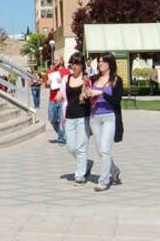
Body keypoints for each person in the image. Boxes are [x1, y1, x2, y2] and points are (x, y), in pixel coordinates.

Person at [85, 54, 124, 192]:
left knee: (105, 149)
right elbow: (86, 93)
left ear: (109, 63)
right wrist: (86, 94)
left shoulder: (116, 80)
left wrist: (101, 94)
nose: (100, 63)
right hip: (94, 117)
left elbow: (116, 100)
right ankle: (114, 170)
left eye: (103, 61)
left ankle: (103, 180)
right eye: (99, 61)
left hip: (109, 117)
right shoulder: (94, 79)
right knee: (101, 150)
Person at [58, 54, 91, 183]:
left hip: (83, 116)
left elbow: (91, 94)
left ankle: (80, 175)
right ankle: (85, 164)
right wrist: (57, 98)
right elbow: (62, 92)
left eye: (77, 63)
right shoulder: (67, 78)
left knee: (81, 147)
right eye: (72, 63)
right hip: (70, 116)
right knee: (71, 147)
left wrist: (88, 93)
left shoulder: (86, 79)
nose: (74, 66)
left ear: (82, 65)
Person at [46, 56, 70, 143]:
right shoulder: (50, 71)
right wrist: (48, 83)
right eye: (54, 60)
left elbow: (69, 85)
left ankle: (62, 137)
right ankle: (62, 135)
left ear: (61, 61)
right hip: (52, 98)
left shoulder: (66, 72)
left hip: (62, 99)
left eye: (57, 60)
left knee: (62, 119)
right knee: (52, 119)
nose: (55, 61)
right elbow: (46, 85)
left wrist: (62, 82)